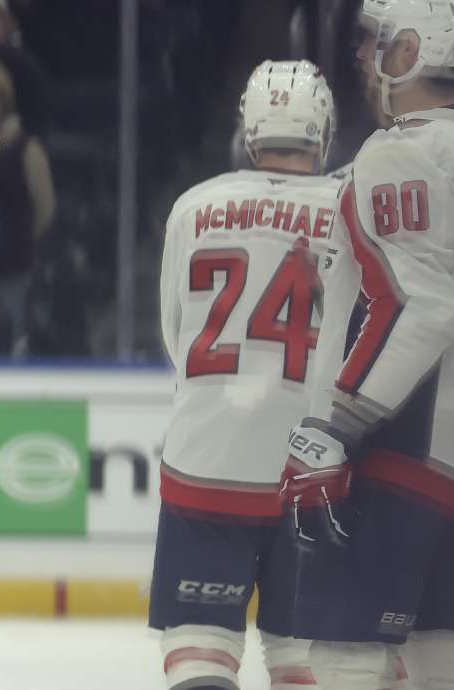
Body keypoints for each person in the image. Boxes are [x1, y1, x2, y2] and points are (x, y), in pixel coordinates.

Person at [261, 2, 454, 688]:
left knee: (345, 649)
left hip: (401, 446)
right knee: (452, 649)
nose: (363, 54)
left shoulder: (400, 150)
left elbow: (421, 305)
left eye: (375, 39)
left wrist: (338, 425)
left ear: (411, 49)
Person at [150, 59, 342, 690]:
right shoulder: (350, 210)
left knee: (200, 655)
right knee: (306, 660)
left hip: (205, 458)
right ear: (324, 129)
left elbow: (176, 337)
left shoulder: (192, 206)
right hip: (313, 464)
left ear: (248, 128)